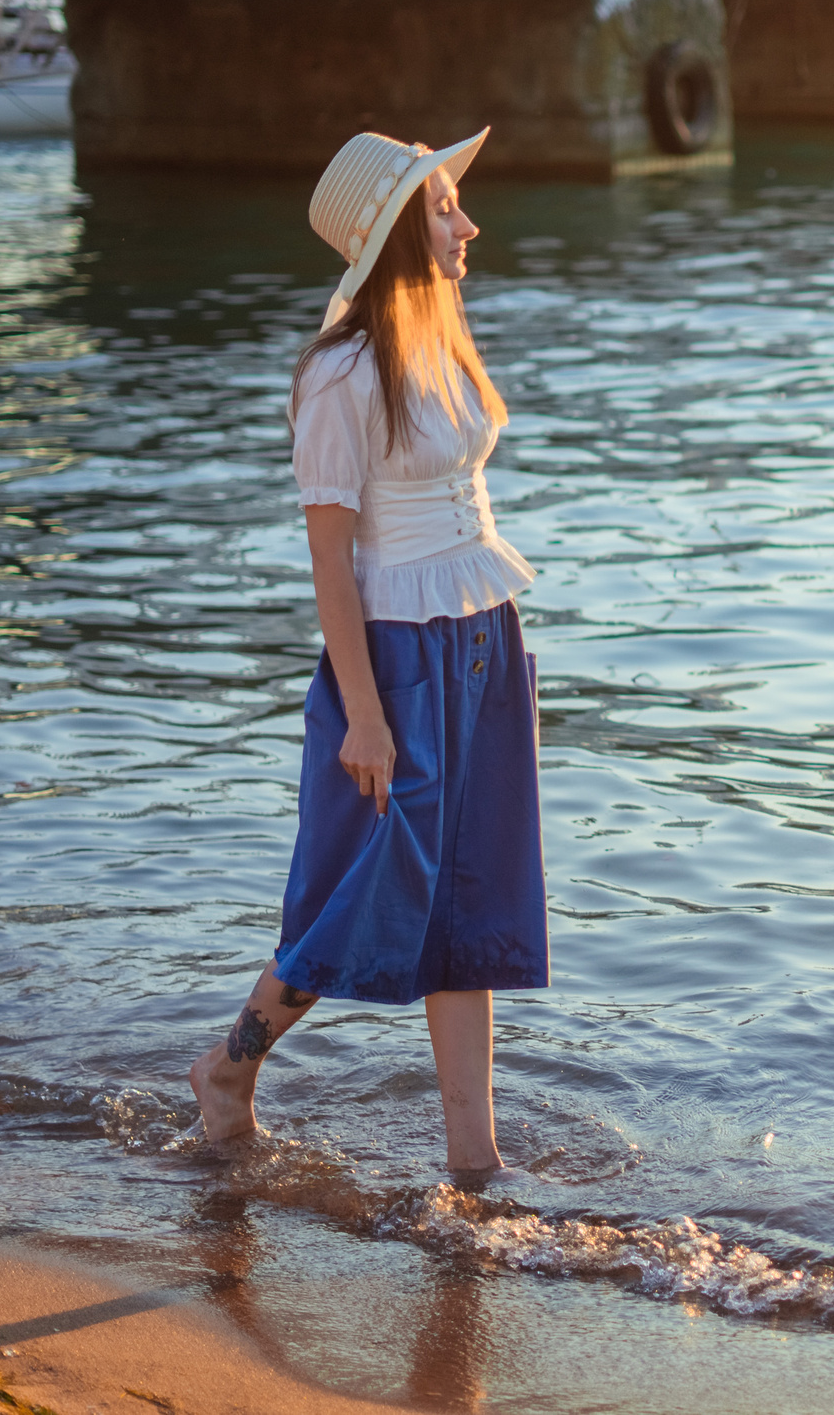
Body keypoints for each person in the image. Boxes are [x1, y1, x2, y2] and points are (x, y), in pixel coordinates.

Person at [188, 127, 545, 1174]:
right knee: (364, 892)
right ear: (393, 232)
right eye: (442, 208)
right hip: (394, 657)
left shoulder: (436, 339)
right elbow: (331, 564)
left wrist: (492, 658)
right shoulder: (340, 376)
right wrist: (366, 712)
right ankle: (229, 1064)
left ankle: (473, 1162)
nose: (465, 223)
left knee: (474, 892)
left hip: (481, 636)